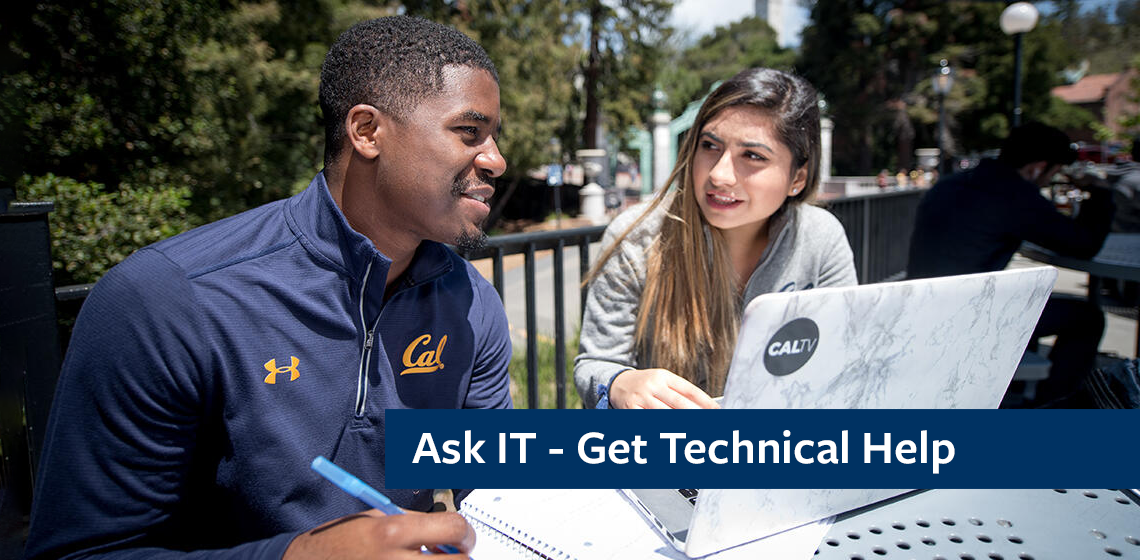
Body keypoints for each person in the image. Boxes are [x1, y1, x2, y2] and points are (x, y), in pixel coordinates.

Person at [25, 16, 511, 559]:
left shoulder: (470, 300)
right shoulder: (167, 301)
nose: (496, 160)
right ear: (367, 131)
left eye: (494, 137)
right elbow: (78, 552)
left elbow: (491, 484)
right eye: (470, 133)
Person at [574, 68, 858, 410]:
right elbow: (595, 364)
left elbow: (844, 362)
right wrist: (620, 383)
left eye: (752, 156)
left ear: (797, 178)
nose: (720, 175)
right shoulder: (636, 237)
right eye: (710, 146)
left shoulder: (820, 238)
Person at [907, 122, 1115, 408]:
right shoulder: (1015, 195)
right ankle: (1052, 407)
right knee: (1088, 318)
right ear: (1037, 167)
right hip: (967, 315)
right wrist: (1101, 194)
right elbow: (1083, 244)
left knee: (1026, 306)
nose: (1048, 182)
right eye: (1052, 174)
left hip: (921, 307)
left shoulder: (953, 182)